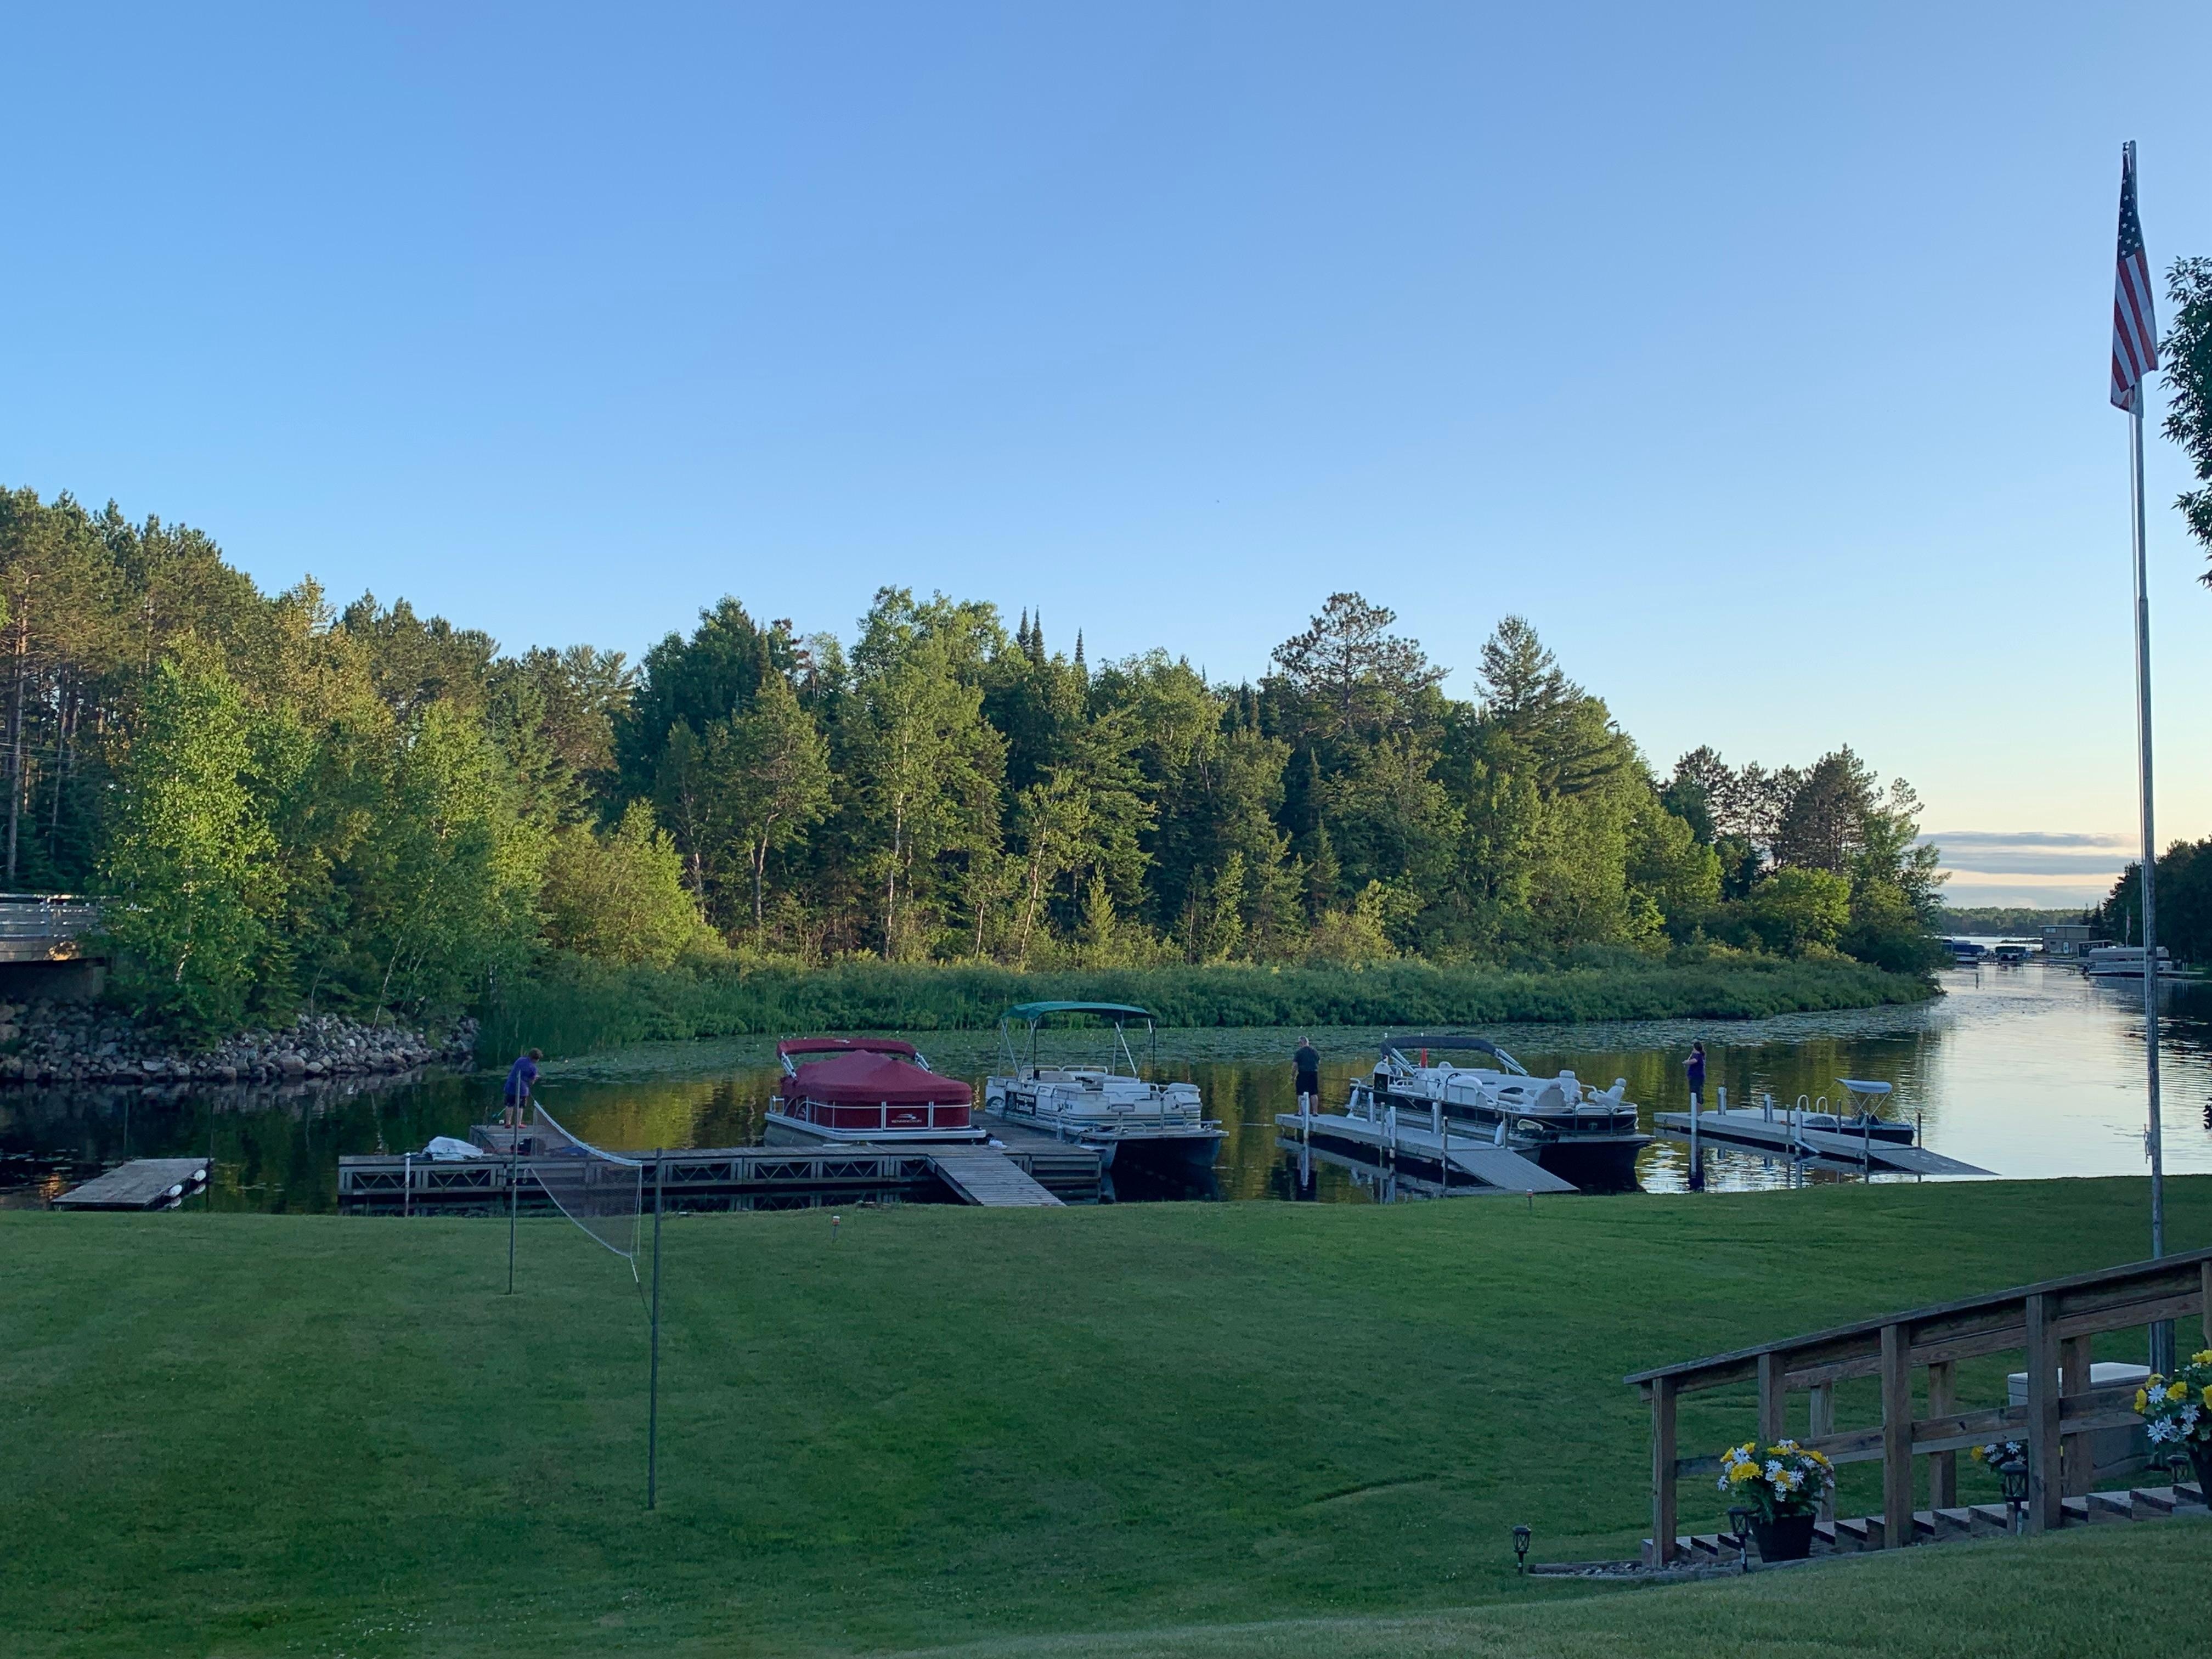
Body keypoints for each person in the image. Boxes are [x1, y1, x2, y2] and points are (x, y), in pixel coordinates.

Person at [504, 1048, 542, 1131]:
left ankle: (508, 1123)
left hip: (511, 1085)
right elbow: (531, 1083)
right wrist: (535, 1079)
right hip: (522, 1089)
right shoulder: (533, 1069)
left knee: (509, 1104)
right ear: (537, 1059)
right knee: (521, 1106)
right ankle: (518, 1123)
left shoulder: (520, 1060)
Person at [1293, 1035, 1321, 1117]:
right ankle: (1315, 1112)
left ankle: (1301, 1111)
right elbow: (1319, 1062)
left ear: (1301, 1043)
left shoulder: (1299, 1052)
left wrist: (1293, 1075)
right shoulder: (1314, 1051)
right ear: (1307, 1042)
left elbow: (1295, 1065)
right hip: (1313, 1073)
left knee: (1301, 1093)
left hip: (1303, 1074)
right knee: (1314, 1093)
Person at [1684, 1040, 1707, 1110]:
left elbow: (1694, 1061)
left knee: (1696, 1093)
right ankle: (1696, 1110)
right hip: (1695, 1077)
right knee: (1695, 1093)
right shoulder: (1699, 1055)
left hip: (1696, 1077)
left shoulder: (1697, 1055)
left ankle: (1698, 1111)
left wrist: (1687, 1062)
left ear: (1695, 1048)